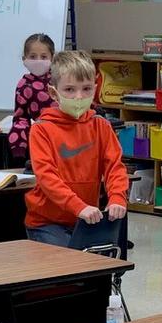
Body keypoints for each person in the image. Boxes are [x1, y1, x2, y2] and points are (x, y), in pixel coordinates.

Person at [24, 49, 127, 249]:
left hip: (87, 219)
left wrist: (117, 198)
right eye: (69, 90)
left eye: (86, 89)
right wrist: (78, 206)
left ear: (95, 89)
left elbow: (115, 167)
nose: (79, 96)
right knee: (69, 264)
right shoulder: (41, 129)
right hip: (48, 223)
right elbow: (47, 177)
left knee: (101, 263)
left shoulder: (101, 126)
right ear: (53, 93)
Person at [7, 32, 56, 167]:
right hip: (43, 136)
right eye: (33, 57)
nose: (38, 61)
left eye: (44, 57)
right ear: (24, 59)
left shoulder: (61, 79)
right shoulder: (24, 85)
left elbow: (78, 95)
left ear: (52, 58)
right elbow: (20, 118)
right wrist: (19, 147)